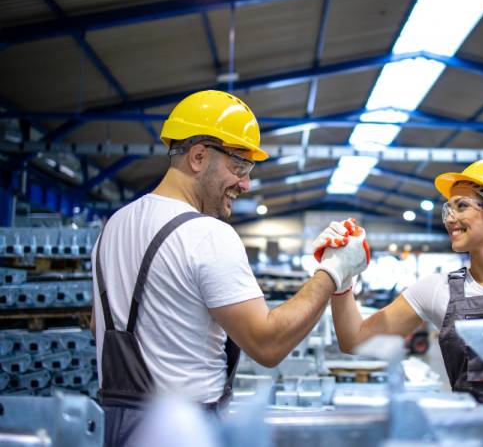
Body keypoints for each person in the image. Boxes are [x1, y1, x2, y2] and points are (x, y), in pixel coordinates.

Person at [90, 90, 369, 446]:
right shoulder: (206, 234)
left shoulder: (112, 228)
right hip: (185, 433)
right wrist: (332, 270)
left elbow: (101, 325)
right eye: (238, 166)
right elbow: (268, 345)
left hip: (118, 430)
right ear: (199, 156)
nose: (246, 183)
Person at [328, 160, 483, 404]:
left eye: (461, 206)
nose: (449, 219)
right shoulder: (435, 290)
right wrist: (341, 273)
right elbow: (355, 340)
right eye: (448, 209)